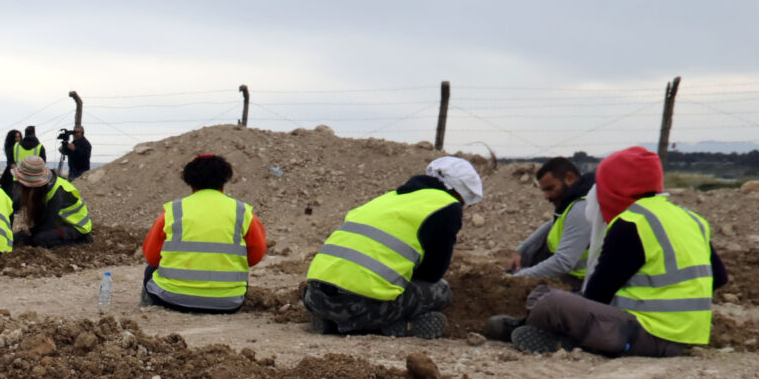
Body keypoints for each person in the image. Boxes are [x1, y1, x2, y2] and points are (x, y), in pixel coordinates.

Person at [497, 146, 723, 357]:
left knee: (550, 303)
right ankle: (541, 331)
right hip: (689, 335)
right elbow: (720, 277)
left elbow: (597, 294)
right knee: (546, 296)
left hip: (647, 334)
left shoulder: (631, 222)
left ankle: (560, 339)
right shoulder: (691, 218)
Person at [300, 156, 483, 339]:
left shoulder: (388, 198)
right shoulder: (447, 206)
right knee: (441, 291)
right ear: (460, 192)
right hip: (357, 305)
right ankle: (386, 327)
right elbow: (432, 274)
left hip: (314, 298)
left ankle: (330, 320)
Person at [141, 154, 267, 313]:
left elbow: (152, 256)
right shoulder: (242, 211)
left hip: (171, 299)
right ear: (224, 180)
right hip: (229, 302)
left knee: (151, 270)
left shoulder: (174, 211)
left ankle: (149, 305)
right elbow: (255, 256)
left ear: (190, 181)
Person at [504, 156, 594, 281]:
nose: (546, 197)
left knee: (538, 298)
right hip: (572, 275)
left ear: (570, 178)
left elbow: (562, 263)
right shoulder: (573, 200)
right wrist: (521, 251)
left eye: (550, 189)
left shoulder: (582, 208)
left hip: (582, 281)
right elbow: (553, 223)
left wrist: (518, 278)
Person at [10, 155, 95, 248]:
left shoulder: (57, 191)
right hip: (61, 221)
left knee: (40, 239)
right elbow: (15, 203)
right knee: (29, 237)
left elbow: (48, 222)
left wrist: (28, 236)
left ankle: (82, 240)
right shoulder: (40, 188)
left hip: (76, 226)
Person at [2, 125, 47, 194]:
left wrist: (14, 167)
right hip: (33, 179)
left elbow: (10, 161)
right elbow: (43, 164)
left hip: (18, 178)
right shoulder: (40, 147)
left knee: (17, 200)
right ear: (34, 133)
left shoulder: (15, 146)